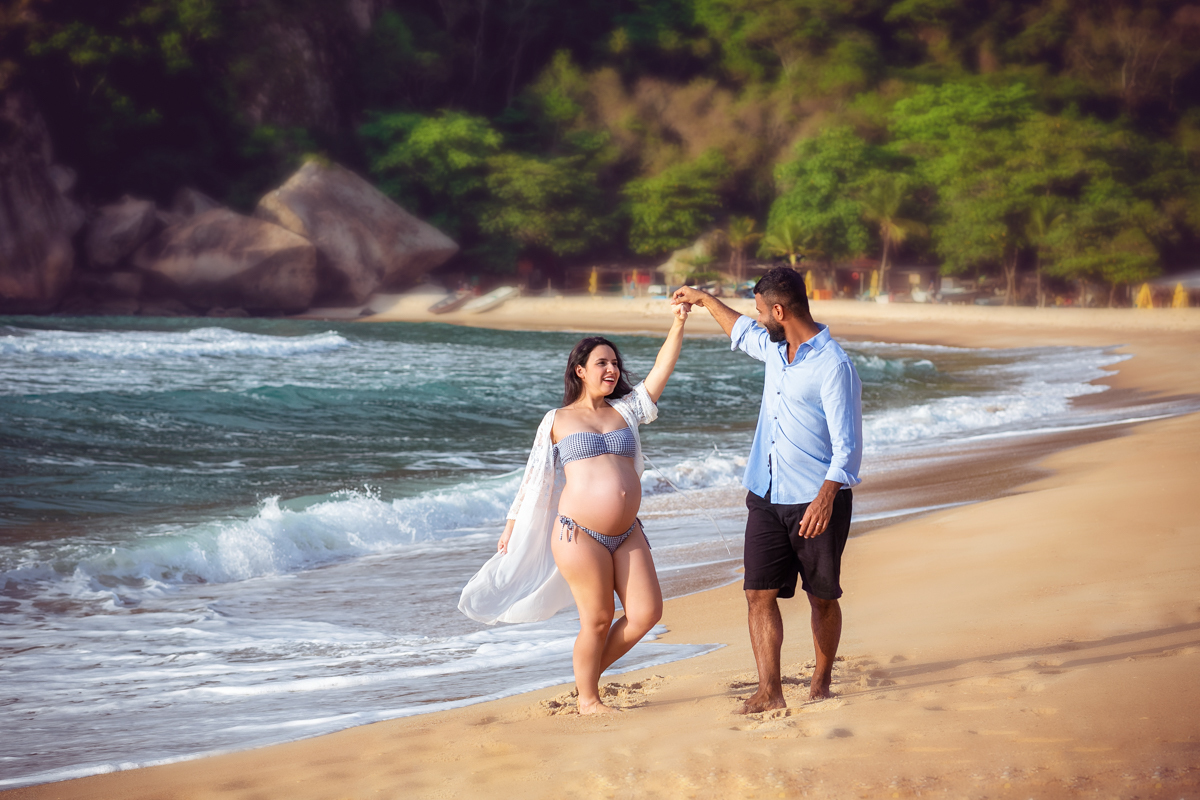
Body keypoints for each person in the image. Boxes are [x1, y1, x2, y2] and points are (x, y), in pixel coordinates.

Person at [459, 303, 690, 714]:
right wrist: (512, 524)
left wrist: (679, 321)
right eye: (601, 363)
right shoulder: (557, 419)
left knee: (646, 613)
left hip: (627, 532)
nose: (611, 370)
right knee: (599, 619)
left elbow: (661, 369)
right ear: (580, 370)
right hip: (578, 533)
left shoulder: (627, 410)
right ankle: (588, 699)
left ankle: (586, 676)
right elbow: (535, 477)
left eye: (615, 364)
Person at [672, 267, 862, 711]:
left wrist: (826, 497)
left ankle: (821, 678)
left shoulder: (834, 366)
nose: (757, 319)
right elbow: (739, 328)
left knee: (822, 598)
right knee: (757, 593)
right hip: (766, 492)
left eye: (762, 312)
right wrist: (702, 300)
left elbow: (847, 447)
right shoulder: (777, 349)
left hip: (817, 501)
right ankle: (770, 691)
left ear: (780, 311)